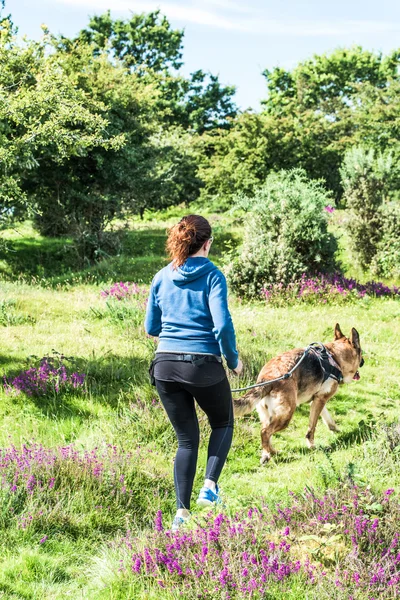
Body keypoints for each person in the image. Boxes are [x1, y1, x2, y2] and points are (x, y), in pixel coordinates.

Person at [145, 214, 243, 531]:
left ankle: (180, 516)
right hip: (202, 365)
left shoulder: (161, 276)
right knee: (224, 421)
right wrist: (233, 360)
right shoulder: (213, 276)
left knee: (186, 441)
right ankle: (209, 486)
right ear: (207, 243)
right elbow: (223, 324)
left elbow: (151, 328)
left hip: (164, 366)